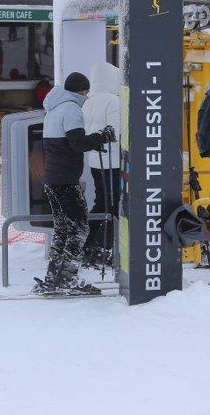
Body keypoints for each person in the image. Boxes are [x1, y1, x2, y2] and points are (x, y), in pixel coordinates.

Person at [35, 72, 115, 295]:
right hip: (66, 180)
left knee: (63, 229)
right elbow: (77, 143)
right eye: (86, 92)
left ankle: (54, 276)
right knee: (79, 228)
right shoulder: (71, 108)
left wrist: (91, 143)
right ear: (80, 91)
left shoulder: (53, 109)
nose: (87, 96)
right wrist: (102, 136)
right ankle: (68, 278)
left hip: (53, 179)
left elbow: (67, 144)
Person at [82, 62, 121, 266]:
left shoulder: (89, 101)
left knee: (100, 201)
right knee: (113, 204)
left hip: (95, 161)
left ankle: (89, 243)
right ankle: (104, 245)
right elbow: (116, 132)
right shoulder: (113, 101)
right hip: (112, 161)